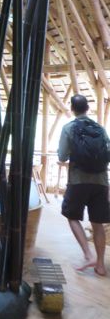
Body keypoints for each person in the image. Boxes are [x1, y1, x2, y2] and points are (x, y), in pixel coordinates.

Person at [58, 94, 110, 276]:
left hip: (78, 180)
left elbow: (62, 156)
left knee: (72, 216)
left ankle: (88, 255)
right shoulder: (100, 129)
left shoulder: (69, 128)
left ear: (72, 109)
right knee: (98, 224)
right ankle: (100, 265)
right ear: (88, 108)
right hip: (101, 182)